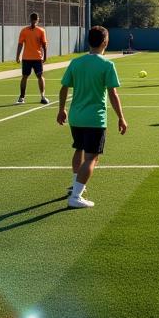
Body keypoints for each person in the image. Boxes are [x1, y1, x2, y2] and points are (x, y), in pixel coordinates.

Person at [56, 25, 128, 209]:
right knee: (92, 158)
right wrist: (121, 117)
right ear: (105, 42)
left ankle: (75, 185)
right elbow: (113, 94)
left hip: (76, 117)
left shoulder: (75, 63)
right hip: (94, 119)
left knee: (78, 149)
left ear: (88, 41)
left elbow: (64, 87)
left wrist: (61, 109)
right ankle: (76, 196)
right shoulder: (107, 64)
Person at [15, 12, 49, 105]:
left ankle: (42, 96)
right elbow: (20, 44)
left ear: (38, 20)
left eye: (36, 19)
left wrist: (45, 56)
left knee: (40, 76)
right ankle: (21, 97)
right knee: (24, 77)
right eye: (33, 19)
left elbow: (44, 44)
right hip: (26, 58)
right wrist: (17, 56)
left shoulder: (41, 31)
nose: (34, 21)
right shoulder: (24, 31)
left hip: (37, 58)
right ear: (30, 20)